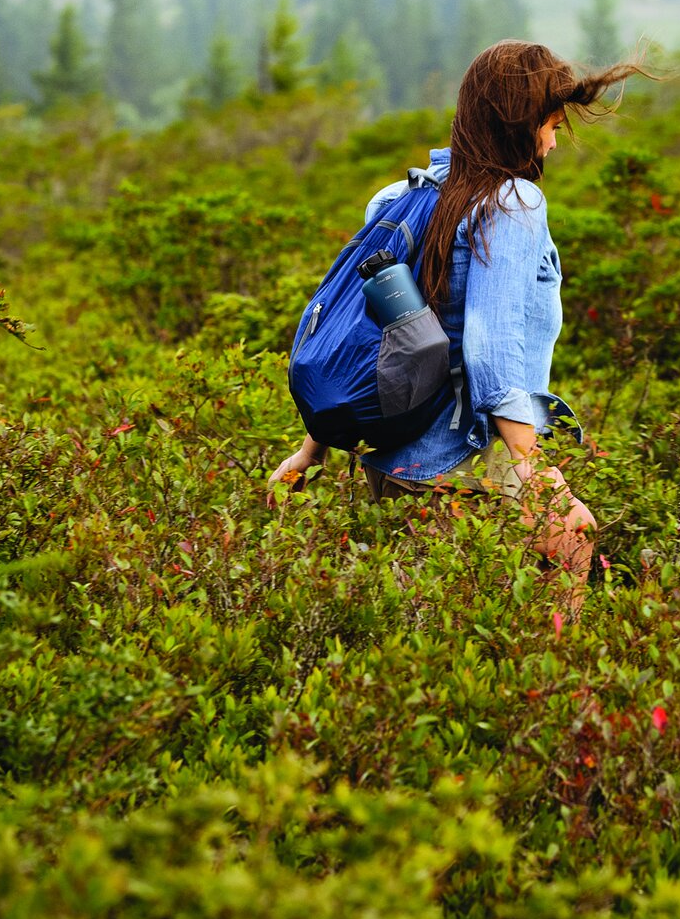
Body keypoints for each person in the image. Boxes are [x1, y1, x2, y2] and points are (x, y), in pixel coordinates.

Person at [271, 40, 642, 592]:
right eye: (553, 126)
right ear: (524, 123)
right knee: (567, 549)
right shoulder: (512, 202)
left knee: (427, 628)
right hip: (458, 457)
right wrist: (537, 476)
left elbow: (362, 336)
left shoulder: (404, 196)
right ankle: (565, 677)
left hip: (390, 454)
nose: (554, 143)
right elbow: (491, 353)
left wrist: (311, 450)